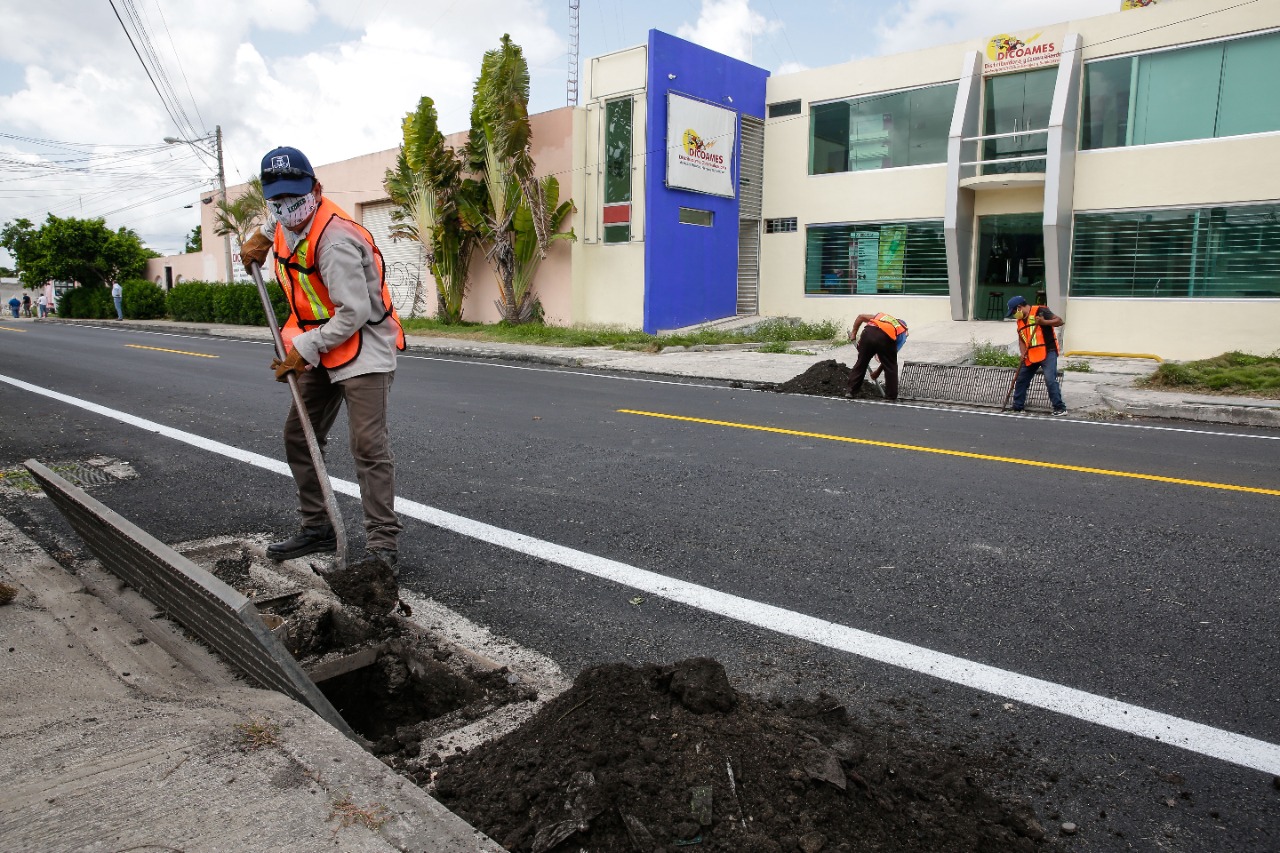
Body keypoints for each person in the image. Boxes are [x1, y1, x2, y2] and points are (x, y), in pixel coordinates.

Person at [239, 146, 406, 571]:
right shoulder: (281, 223)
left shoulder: (336, 239)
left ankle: (382, 548)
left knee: (368, 446)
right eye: (276, 199)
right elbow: (276, 225)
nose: (286, 206)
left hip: (362, 346)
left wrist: (304, 348)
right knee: (300, 436)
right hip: (319, 344)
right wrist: (258, 238)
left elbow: (354, 313)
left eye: (294, 196)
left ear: (315, 189)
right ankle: (318, 526)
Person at [1006, 295, 1067, 416]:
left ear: (1019, 307)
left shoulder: (1040, 311)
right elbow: (1021, 338)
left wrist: (1044, 322)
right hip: (1031, 354)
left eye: (1014, 311)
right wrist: (1023, 353)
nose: (1014, 314)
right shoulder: (1020, 321)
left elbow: (1059, 321)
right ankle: (1018, 406)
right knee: (1021, 379)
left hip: (1047, 351)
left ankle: (1060, 407)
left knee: (1050, 379)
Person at [845, 312, 908, 400]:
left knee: (861, 362)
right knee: (891, 367)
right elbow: (889, 359)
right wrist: (877, 373)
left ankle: (850, 391)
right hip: (884, 338)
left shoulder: (883, 318)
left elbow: (860, 317)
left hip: (868, 334)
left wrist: (854, 333)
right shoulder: (902, 333)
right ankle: (891, 396)